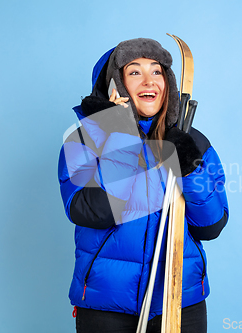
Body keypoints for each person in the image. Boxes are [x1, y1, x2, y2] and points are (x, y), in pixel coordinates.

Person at [58, 38, 229, 333]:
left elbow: (210, 226)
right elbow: (94, 212)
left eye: (157, 71)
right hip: (106, 304)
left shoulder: (194, 142)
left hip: (180, 299)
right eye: (134, 72)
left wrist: (187, 164)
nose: (149, 81)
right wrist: (121, 134)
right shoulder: (83, 140)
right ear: (116, 85)